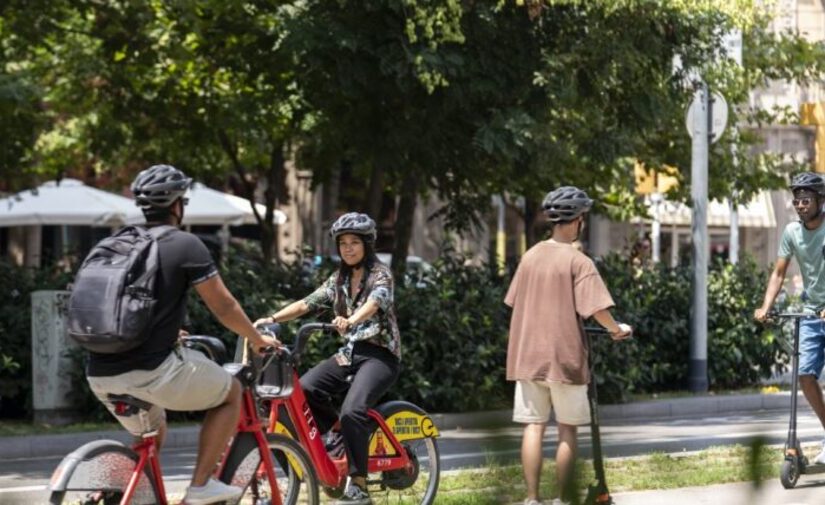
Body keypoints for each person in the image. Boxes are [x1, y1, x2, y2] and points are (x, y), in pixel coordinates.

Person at [85, 164, 277, 505]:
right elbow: (224, 307)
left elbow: (126, 306)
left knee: (152, 435)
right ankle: (200, 486)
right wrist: (257, 338)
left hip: (100, 373)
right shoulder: (186, 244)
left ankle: (127, 493)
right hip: (152, 371)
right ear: (178, 205)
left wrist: (167, 331)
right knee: (231, 393)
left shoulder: (117, 242)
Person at [255, 212, 401, 505]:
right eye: (343, 243)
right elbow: (305, 304)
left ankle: (358, 486)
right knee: (305, 389)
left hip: (379, 356)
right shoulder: (338, 279)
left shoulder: (380, 274)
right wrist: (270, 318)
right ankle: (337, 435)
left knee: (353, 410)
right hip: (350, 354)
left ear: (367, 244)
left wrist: (351, 319)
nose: (348, 248)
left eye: (354, 243)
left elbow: (375, 303)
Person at [504, 186, 632, 505]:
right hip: (564, 358)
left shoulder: (530, 257)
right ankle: (564, 499)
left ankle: (532, 499)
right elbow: (596, 309)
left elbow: (513, 302)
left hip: (527, 356)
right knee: (566, 430)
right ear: (577, 221)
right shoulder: (578, 261)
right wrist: (617, 330)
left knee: (533, 427)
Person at [754, 171, 825, 465]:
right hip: (811, 313)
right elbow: (779, 273)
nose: (800, 205)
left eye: (806, 199)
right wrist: (765, 306)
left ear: (820, 200)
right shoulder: (792, 233)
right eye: (797, 201)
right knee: (805, 376)